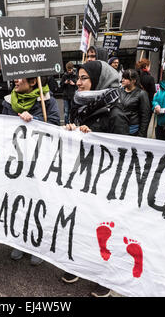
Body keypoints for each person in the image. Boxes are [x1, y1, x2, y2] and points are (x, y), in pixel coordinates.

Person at [63, 59, 129, 297]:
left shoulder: (115, 111)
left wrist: (95, 138)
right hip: (81, 174)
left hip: (104, 180)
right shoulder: (79, 104)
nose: (77, 82)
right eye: (77, 77)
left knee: (103, 228)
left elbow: (123, 152)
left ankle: (106, 275)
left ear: (99, 80)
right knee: (81, 222)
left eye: (83, 78)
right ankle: (81, 264)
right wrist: (69, 131)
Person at [2, 75, 60, 265]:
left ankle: (39, 245)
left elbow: (54, 125)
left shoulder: (47, 100)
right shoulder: (9, 101)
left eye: (20, 78)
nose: (15, 81)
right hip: (17, 160)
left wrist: (33, 120)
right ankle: (20, 241)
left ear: (33, 81)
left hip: (39, 160)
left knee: (38, 202)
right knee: (18, 201)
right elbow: (2, 127)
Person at [118, 69, 151, 137]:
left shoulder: (142, 94)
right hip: (120, 128)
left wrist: (141, 135)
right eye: (122, 78)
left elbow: (145, 116)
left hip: (133, 130)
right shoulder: (119, 91)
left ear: (133, 80)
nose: (122, 80)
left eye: (125, 78)